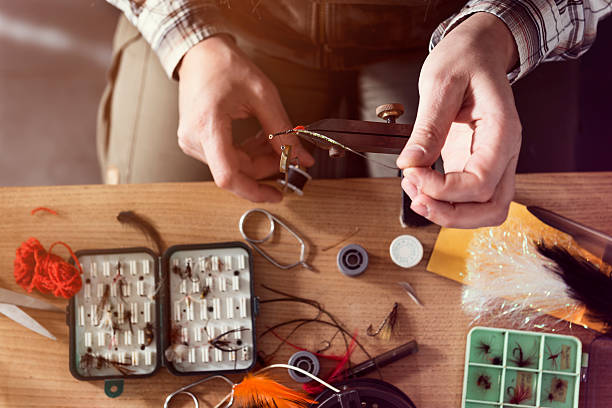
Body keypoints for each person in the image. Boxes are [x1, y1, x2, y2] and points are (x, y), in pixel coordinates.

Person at [100, 0, 611, 228]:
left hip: (460, 26)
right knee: (158, 222)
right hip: (225, 22)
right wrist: (189, 41)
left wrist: (500, 30)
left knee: (506, 229)